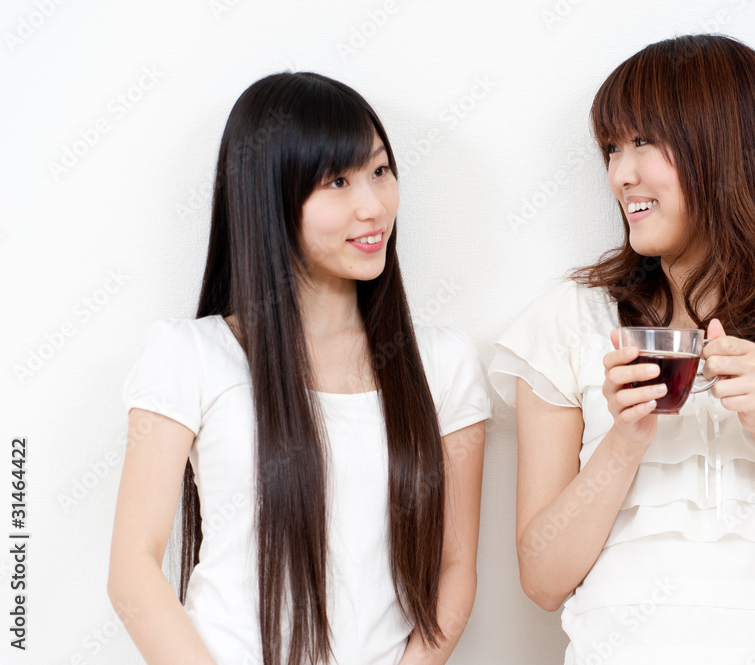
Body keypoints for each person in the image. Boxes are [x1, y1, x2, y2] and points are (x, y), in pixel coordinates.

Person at [488, 35, 755, 664]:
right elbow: (543, 581)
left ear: (728, 150)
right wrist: (625, 438)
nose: (620, 174)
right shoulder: (568, 323)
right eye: (612, 147)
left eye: (643, 141)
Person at [107, 72, 490, 665]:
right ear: (269, 198)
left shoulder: (442, 364)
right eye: (337, 180)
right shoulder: (191, 356)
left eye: (380, 170)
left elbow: (455, 566)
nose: (373, 206)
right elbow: (133, 570)